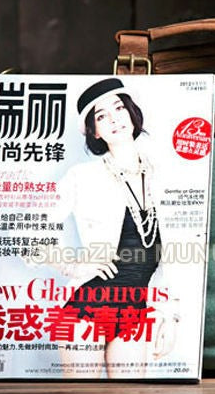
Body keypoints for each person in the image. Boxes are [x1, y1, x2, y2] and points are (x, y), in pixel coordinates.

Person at [46, 78, 175, 378]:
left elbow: (177, 261)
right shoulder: (82, 176)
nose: (114, 118)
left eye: (119, 108)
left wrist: (171, 316)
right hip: (87, 309)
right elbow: (28, 232)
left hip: (135, 312)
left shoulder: (164, 175)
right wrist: (72, 265)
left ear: (132, 112)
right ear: (94, 131)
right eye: (102, 116)